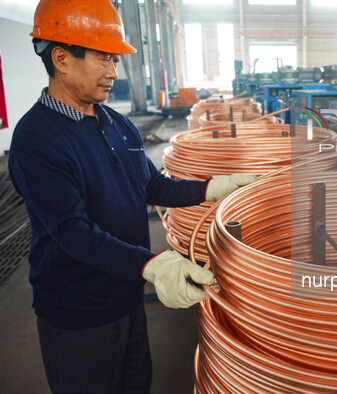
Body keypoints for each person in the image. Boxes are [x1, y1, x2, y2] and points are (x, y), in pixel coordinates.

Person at [8, 1, 255, 392]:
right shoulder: (37, 140)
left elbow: (151, 186)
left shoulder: (117, 124)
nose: (114, 72)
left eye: (116, 60)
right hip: (78, 315)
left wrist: (215, 187)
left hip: (126, 295)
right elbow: (73, 232)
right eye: (104, 59)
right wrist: (154, 265)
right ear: (61, 58)